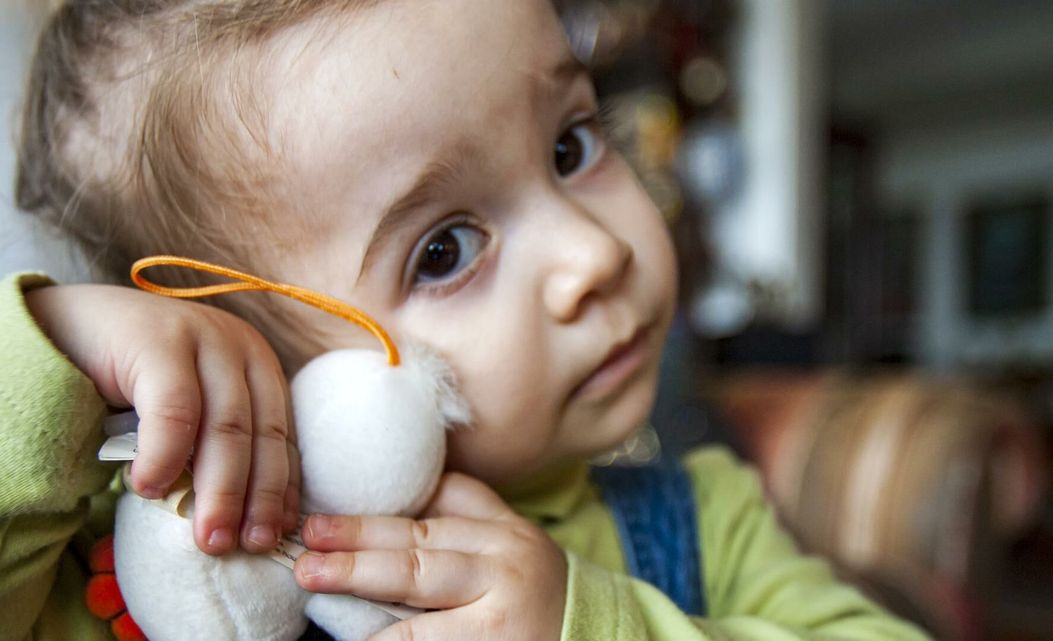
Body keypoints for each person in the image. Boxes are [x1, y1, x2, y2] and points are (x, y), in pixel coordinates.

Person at [1, 0, 933, 639]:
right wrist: (52, 353)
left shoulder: (703, 523)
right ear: (263, 372)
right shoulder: (154, 580)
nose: (594, 255)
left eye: (571, 143)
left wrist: (592, 620)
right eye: (444, 250)